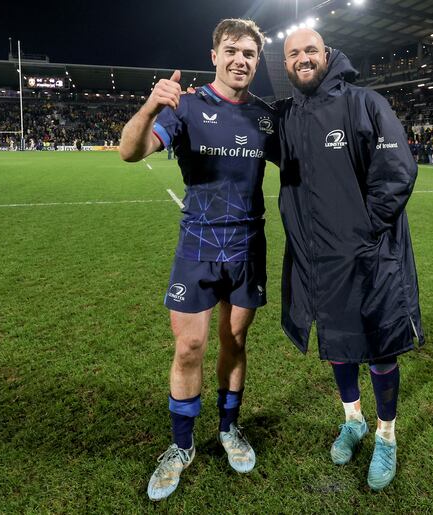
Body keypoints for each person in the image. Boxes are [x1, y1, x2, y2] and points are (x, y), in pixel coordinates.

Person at [118, 18, 278, 501]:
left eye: (249, 53)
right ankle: (181, 445)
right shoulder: (185, 106)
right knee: (189, 348)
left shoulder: (267, 117)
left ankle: (229, 429)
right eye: (232, 50)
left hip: (248, 247)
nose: (240, 60)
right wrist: (150, 104)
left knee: (235, 340)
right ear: (214, 55)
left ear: (256, 61)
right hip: (198, 248)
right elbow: (130, 150)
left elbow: (304, 165)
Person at [276, 28, 424, 492]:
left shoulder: (364, 103)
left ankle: (387, 435)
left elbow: (398, 173)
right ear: (286, 64)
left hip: (370, 257)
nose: (303, 58)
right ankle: (353, 420)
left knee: (380, 349)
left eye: (310, 50)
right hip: (321, 261)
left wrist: (364, 235)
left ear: (327, 55)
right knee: (338, 345)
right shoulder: (287, 117)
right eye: (293, 52)